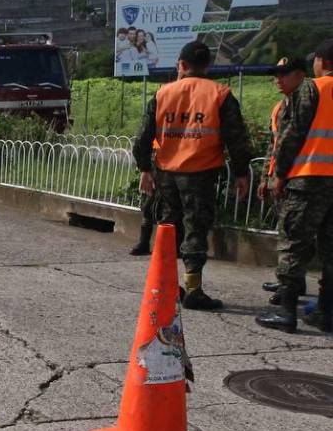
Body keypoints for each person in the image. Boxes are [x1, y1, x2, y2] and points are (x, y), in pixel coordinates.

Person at [133, 40, 252, 310]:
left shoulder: (163, 94)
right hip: (201, 173)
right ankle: (194, 289)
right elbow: (237, 140)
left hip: (167, 174)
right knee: (195, 229)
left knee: (168, 228)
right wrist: (242, 172)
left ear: (182, 65)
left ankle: (167, 285)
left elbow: (142, 139)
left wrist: (144, 169)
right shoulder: (220, 94)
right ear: (207, 65)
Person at [256, 43, 333, 333]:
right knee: (331, 250)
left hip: (309, 178)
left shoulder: (312, 89)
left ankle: (286, 312)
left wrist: (280, 175)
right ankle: (326, 312)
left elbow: (291, 136)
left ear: (321, 62)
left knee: (293, 243)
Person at [258, 56, 308, 305]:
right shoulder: (281, 106)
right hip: (283, 178)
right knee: (285, 231)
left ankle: (291, 289)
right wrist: (266, 176)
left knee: (293, 236)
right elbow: (274, 145)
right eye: (276, 74)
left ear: (300, 75)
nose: (278, 79)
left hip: (300, 179)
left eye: (284, 74)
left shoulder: (307, 103)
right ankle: (289, 281)